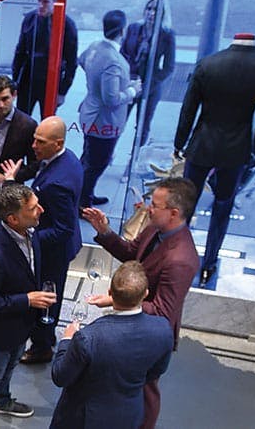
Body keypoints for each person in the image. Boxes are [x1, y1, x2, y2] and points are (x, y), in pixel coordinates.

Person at [81, 177, 200, 429]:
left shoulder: (181, 259)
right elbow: (130, 253)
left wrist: (117, 301)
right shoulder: (155, 228)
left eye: (155, 205)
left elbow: (163, 312)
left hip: (150, 335)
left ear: (174, 213)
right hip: (131, 322)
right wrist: (105, 231)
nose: (148, 208)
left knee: (145, 389)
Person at [174, 33, 255, 286]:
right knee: (223, 207)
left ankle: (176, 256)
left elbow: (189, 109)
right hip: (237, 146)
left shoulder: (209, 63)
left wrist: (180, 142)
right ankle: (209, 263)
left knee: (186, 205)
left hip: (202, 142)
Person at [49, 261, 173, 429]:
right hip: (129, 415)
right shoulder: (163, 329)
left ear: (110, 293)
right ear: (145, 294)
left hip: (83, 419)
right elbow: (155, 372)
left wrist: (66, 340)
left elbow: (60, 376)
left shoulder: (88, 338)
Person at [0, 183, 57, 428]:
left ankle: (3, 400)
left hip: (21, 324)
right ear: (12, 218)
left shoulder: (30, 232)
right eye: (33, 208)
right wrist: (28, 299)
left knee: (10, 368)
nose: (41, 210)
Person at [2, 116, 82, 364]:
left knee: (46, 297)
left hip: (53, 252)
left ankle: (42, 346)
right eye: (34, 139)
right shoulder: (67, 159)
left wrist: (29, 238)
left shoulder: (58, 183)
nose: (33, 145)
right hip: (57, 249)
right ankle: (45, 338)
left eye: (40, 141)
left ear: (57, 143)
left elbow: (62, 229)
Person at [77, 10, 141, 208]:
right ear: (122, 31)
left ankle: (83, 194)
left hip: (89, 111)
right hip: (104, 120)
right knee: (97, 163)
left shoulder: (95, 47)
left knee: (88, 158)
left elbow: (81, 60)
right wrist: (131, 90)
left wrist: (95, 81)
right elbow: (111, 99)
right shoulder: (114, 60)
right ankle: (82, 203)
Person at [12, 0, 78, 118]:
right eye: (39, 1)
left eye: (46, 2)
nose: (41, 6)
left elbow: (72, 62)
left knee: (47, 124)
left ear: (55, 1)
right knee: (21, 121)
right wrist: (15, 82)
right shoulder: (30, 19)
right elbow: (20, 53)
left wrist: (62, 91)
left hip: (51, 82)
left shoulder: (67, 26)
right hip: (28, 80)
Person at [121, 0, 176, 146]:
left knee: (143, 126)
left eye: (156, 10)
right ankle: (108, 153)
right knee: (119, 120)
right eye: (149, 9)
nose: (151, 13)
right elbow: (123, 54)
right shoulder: (134, 28)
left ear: (163, 14)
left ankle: (135, 157)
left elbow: (169, 67)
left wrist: (149, 84)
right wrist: (128, 78)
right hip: (130, 82)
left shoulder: (167, 34)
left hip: (150, 86)